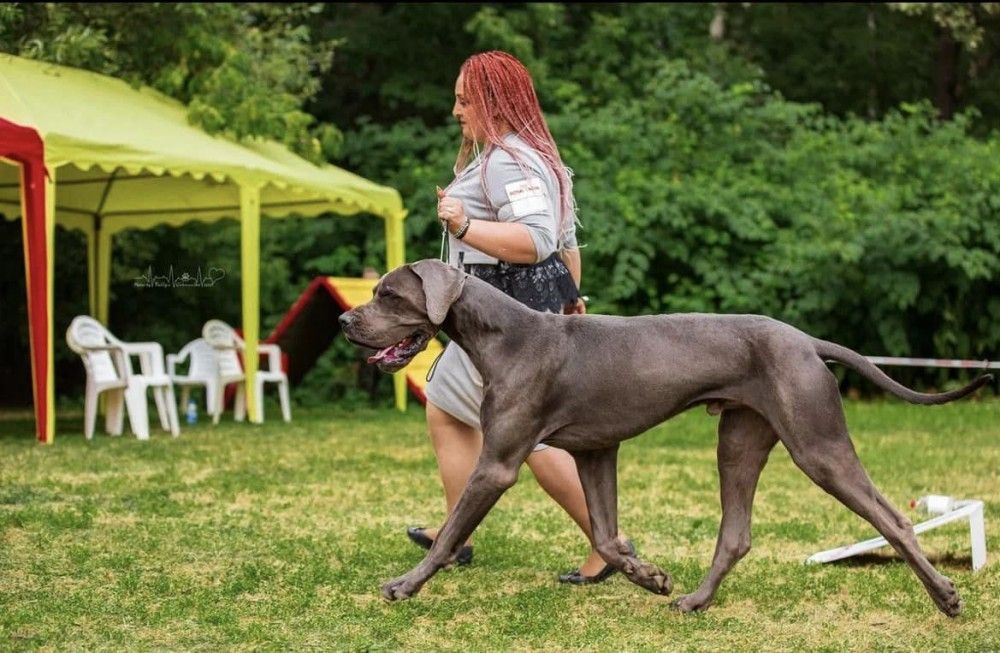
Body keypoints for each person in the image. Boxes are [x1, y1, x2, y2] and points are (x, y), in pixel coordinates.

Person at [406, 50, 630, 584]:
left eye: (465, 100)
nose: (456, 110)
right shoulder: (535, 156)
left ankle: (610, 544)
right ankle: (455, 533)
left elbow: (537, 239)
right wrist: (570, 297)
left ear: (494, 101)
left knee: (533, 436)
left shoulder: (508, 161)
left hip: (505, 325)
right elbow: (567, 242)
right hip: (515, 318)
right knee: (447, 405)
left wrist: (462, 226)